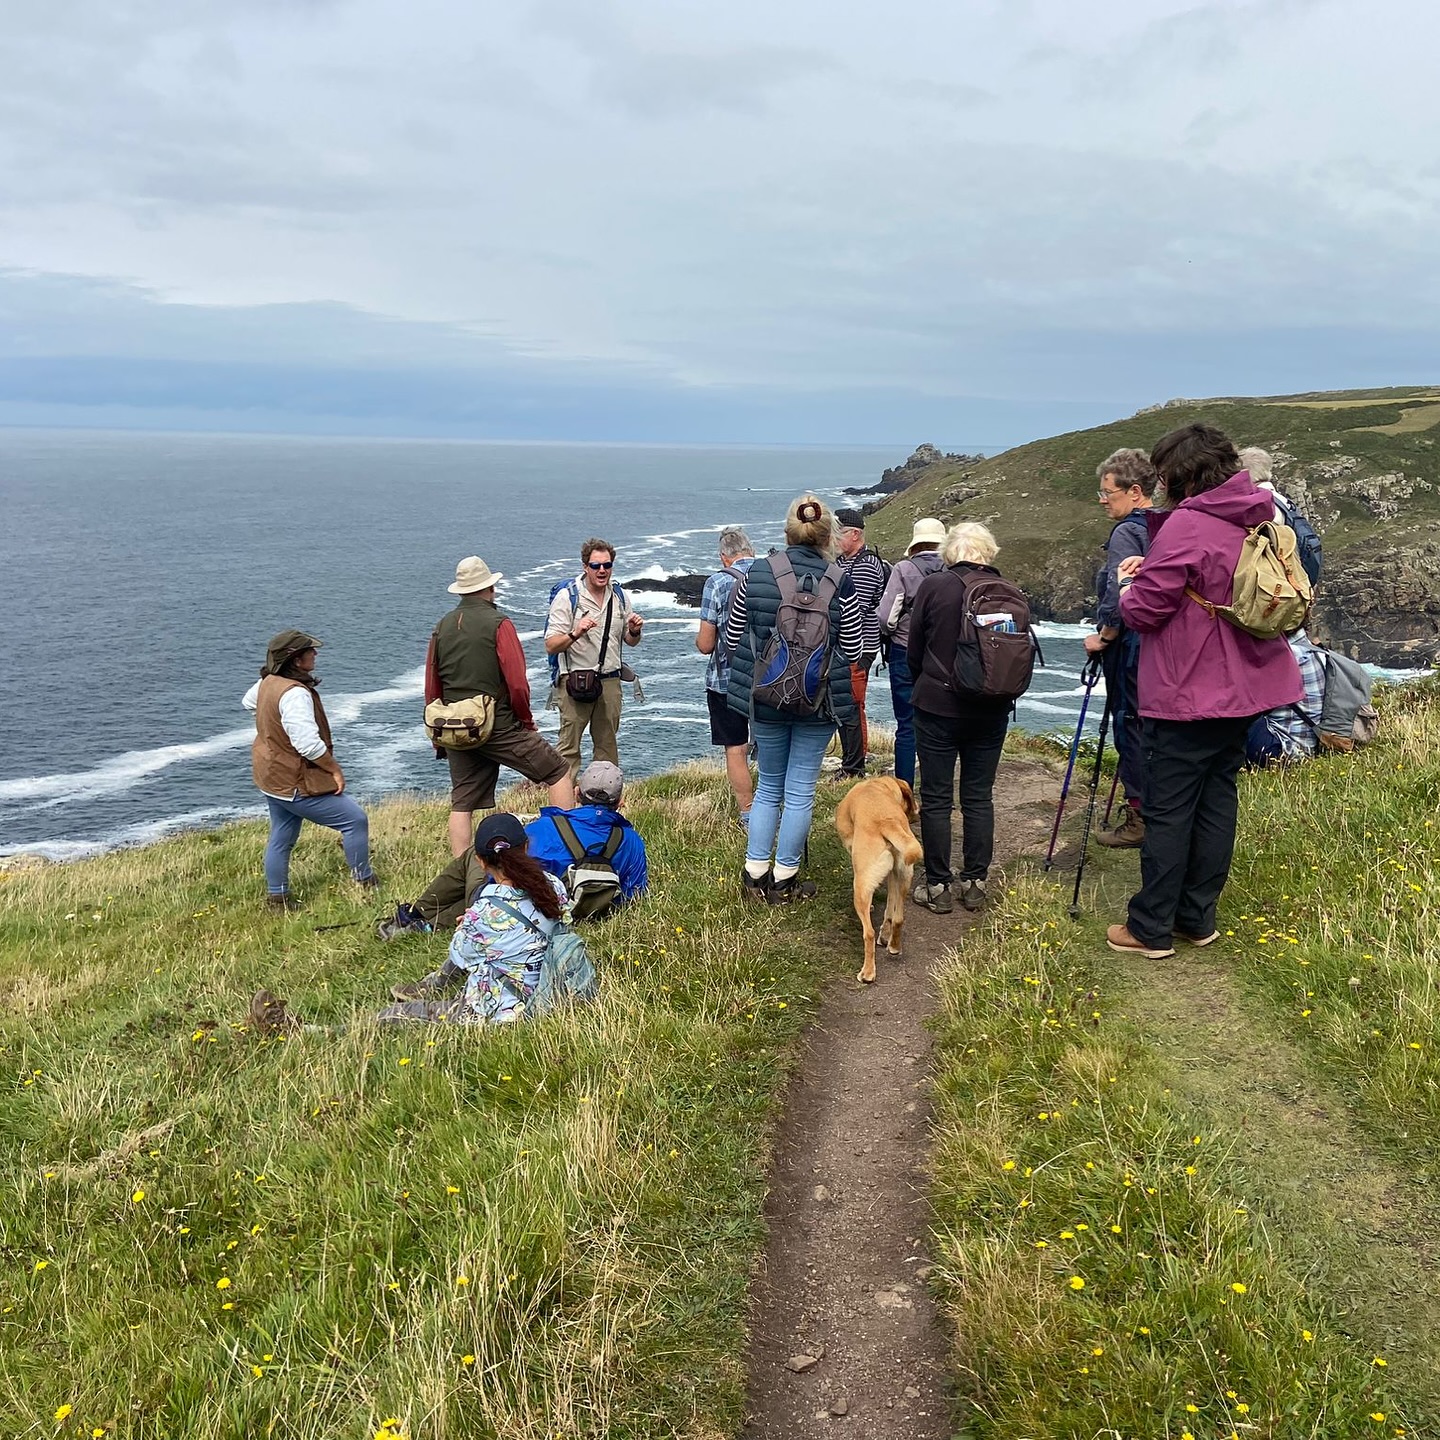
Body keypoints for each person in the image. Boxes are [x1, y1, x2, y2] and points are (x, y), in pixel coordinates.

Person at [1107, 423, 1302, 959]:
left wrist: (1128, 585)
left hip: (1192, 687)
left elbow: (1146, 610)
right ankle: (1197, 918)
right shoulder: (1257, 511)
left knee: (1169, 807)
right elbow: (1216, 582)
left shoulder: (1189, 523)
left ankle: (1150, 927)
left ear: (1178, 475)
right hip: (1249, 681)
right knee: (1218, 796)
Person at [724, 495, 864, 903]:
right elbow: (853, 648)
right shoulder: (843, 579)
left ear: (787, 531)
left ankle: (754, 875)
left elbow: (733, 640)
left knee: (768, 787)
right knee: (800, 790)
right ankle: (785, 879)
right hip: (817, 701)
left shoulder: (756, 574)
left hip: (766, 697)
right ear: (829, 536)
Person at [379, 760, 647, 950]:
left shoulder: (546, 828)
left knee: (476, 854)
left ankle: (418, 917)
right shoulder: (633, 842)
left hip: (528, 907)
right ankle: (422, 920)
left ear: (577, 793)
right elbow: (635, 895)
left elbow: (507, 870)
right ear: (620, 802)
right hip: (577, 912)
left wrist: (481, 906)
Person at [429, 556, 575, 858]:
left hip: (455, 727)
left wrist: (438, 737)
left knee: (463, 803)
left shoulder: (441, 627)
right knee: (558, 772)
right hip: (498, 724)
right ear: (490, 588)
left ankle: (464, 871)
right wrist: (525, 722)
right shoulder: (500, 623)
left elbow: (432, 686)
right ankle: (565, 849)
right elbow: (517, 683)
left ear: (460, 591)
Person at [906, 524, 1013, 914]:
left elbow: (914, 647)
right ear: (989, 552)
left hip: (939, 705)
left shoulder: (936, 586)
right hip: (991, 709)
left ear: (950, 553)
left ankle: (937, 886)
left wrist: (926, 682)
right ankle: (975, 882)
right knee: (978, 796)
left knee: (936, 798)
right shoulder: (1008, 590)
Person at [378, 813, 572, 1024]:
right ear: (526, 847)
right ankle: (430, 985)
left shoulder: (483, 910)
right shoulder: (554, 885)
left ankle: (350, 1030)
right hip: (549, 989)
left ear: (480, 861)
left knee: (396, 1013)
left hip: (498, 1008)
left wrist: (465, 928)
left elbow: (461, 956)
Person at [242, 629, 377, 911]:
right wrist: (334, 769)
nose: (315, 654)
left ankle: (277, 898)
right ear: (295, 659)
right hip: (293, 779)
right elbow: (307, 745)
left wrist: (274, 729)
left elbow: (249, 703)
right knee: (354, 820)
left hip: (271, 777)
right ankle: (365, 883)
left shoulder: (268, 682)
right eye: (309, 651)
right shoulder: (294, 694)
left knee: (283, 831)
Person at [1081, 449, 1157, 849]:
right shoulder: (1167, 524)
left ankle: (1139, 817)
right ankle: (1163, 812)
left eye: (1107, 492)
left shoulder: (1127, 532)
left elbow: (1116, 593)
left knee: (1130, 726)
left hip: (1129, 646)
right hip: (1160, 645)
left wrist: (1104, 637)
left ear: (1134, 491)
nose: (1103, 499)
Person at [545, 538, 645, 781]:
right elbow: (551, 645)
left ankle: (603, 805)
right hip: (574, 681)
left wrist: (634, 630)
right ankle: (565, 808)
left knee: (607, 748)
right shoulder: (568, 597)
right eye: (595, 566)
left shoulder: (619, 596)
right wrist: (576, 631)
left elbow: (629, 641)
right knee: (569, 749)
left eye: (607, 565)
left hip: (610, 681)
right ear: (584, 567)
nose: (602, 571)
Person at [876, 517, 947, 789]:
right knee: (939, 723)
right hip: (943, 655)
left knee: (907, 724)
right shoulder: (952, 569)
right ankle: (936, 788)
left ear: (916, 542)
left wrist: (896, 631)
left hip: (905, 651)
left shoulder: (904, 569)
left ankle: (904, 792)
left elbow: (885, 617)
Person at [696, 526, 756, 823]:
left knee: (736, 748)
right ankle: (775, 806)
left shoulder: (717, 583)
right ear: (751, 550)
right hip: (770, 678)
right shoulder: (773, 576)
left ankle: (747, 813)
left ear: (724, 557)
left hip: (726, 682)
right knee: (772, 743)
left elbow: (706, 644)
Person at [833, 509, 888, 779]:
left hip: (859, 646)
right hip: (848, 646)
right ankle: (852, 760)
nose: (834, 538)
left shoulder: (866, 566)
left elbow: (855, 609)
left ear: (855, 534)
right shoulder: (844, 563)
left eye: (839, 533)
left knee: (853, 704)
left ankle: (855, 765)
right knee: (847, 703)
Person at [1246, 627, 1326, 766]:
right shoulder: (1317, 652)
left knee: (1231, 710)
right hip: (1310, 744)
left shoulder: (1284, 656)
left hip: (1280, 749)